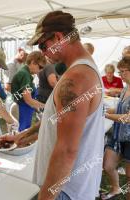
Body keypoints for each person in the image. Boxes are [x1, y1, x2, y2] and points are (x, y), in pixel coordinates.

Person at [27, 11, 104, 200]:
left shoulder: (77, 77)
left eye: (43, 45)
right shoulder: (83, 69)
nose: (43, 52)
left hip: (65, 190)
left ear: (58, 37)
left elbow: (67, 151)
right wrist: (26, 134)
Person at [102, 57, 130, 200]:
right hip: (118, 135)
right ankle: (116, 188)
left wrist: (106, 115)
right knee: (107, 165)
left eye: (123, 72)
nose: (121, 75)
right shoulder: (125, 88)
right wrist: (102, 111)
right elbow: (119, 109)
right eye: (120, 72)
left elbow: (128, 118)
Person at [11, 51, 45, 131]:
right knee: (20, 136)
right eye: (40, 67)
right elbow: (28, 100)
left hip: (25, 109)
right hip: (21, 109)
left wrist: (37, 110)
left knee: (23, 135)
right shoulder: (24, 74)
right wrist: (45, 106)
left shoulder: (27, 75)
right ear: (33, 62)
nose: (40, 70)